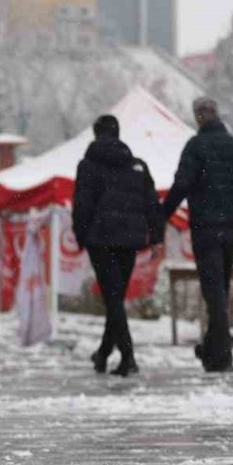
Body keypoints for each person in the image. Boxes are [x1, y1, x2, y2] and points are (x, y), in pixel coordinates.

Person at [162, 98, 233, 373]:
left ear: (198, 118)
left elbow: (182, 184)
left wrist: (160, 216)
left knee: (214, 292)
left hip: (206, 228)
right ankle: (211, 350)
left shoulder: (195, 147)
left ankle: (222, 358)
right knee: (220, 290)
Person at [73, 115, 164, 377]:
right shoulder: (137, 166)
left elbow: (82, 205)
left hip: (100, 240)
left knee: (113, 299)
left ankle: (128, 358)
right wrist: (156, 237)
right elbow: (152, 204)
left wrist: (81, 237)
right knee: (116, 298)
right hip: (130, 241)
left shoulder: (88, 165)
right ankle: (103, 353)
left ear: (95, 134)